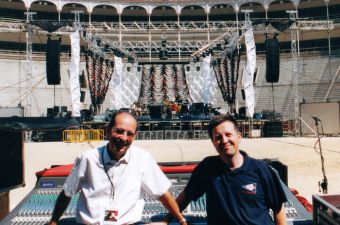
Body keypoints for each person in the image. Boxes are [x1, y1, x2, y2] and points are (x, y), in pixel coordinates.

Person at [48, 110, 187, 225]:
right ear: (109, 130)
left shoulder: (143, 159)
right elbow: (67, 192)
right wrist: (54, 221)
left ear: (135, 136)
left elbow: (163, 194)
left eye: (130, 134)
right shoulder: (87, 158)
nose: (124, 138)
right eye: (119, 131)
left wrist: (181, 220)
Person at [165, 114, 287, 225]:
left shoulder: (261, 169)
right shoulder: (207, 168)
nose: (224, 141)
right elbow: (185, 197)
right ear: (213, 142)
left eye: (228, 135)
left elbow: (278, 210)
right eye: (218, 137)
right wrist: (166, 221)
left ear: (239, 137)